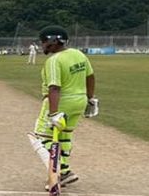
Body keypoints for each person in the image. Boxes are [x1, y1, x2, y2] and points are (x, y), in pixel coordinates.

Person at [30, 25, 98, 187]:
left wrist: (53, 113)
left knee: (39, 138)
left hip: (61, 102)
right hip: (79, 102)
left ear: (52, 41)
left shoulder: (54, 61)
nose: (42, 45)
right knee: (65, 136)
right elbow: (90, 77)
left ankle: (59, 171)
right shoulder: (78, 54)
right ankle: (65, 171)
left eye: (44, 41)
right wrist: (89, 98)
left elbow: (54, 87)